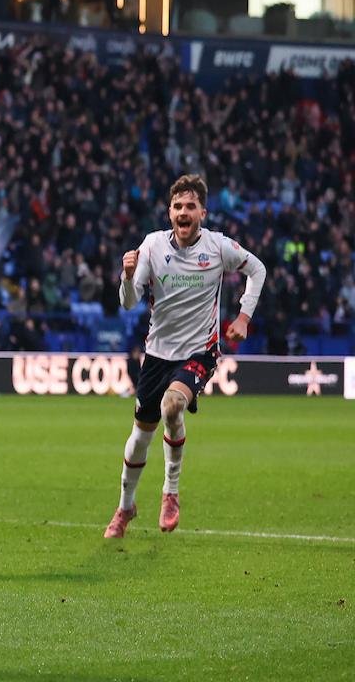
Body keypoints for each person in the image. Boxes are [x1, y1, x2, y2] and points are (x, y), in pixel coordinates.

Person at [105, 174, 266, 538]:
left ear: (202, 213)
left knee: (172, 407)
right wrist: (127, 277)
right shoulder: (151, 247)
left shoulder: (218, 247)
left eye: (190, 206)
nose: (183, 211)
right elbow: (128, 303)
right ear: (169, 212)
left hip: (199, 350)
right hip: (157, 354)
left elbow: (257, 269)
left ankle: (170, 492)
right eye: (178, 206)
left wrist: (243, 315)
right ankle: (125, 506)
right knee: (140, 436)